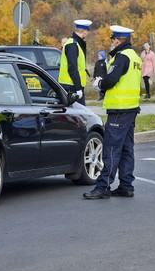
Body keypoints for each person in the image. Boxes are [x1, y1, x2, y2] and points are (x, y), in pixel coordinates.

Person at [84, 25, 142, 199]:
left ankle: (103, 186)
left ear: (118, 40)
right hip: (130, 109)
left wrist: (100, 83)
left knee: (111, 148)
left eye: (112, 40)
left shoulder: (121, 57)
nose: (111, 43)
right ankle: (126, 185)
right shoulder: (135, 57)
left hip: (119, 109)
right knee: (126, 148)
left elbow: (111, 79)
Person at [58, 19, 92, 105]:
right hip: (71, 87)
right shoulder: (73, 45)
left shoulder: (75, 44)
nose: (87, 33)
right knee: (78, 116)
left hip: (71, 86)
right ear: (84, 31)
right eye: (87, 31)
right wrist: (78, 88)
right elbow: (72, 68)